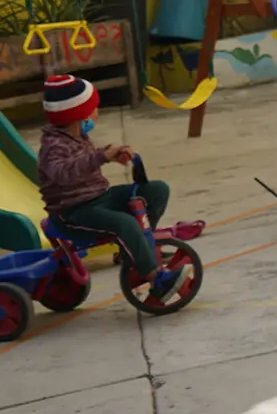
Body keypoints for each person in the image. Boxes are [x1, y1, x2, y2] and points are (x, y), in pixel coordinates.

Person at [35, 74, 189, 303]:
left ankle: (139, 250)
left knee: (156, 191)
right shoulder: (53, 146)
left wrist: (112, 153)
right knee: (125, 223)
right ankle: (156, 280)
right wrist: (102, 156)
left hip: (99, 198)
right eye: (93, 108)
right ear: (79, 115)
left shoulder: (76, 135)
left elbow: (87, 158)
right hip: (73, 212)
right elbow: (62, 172)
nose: (97, 112)